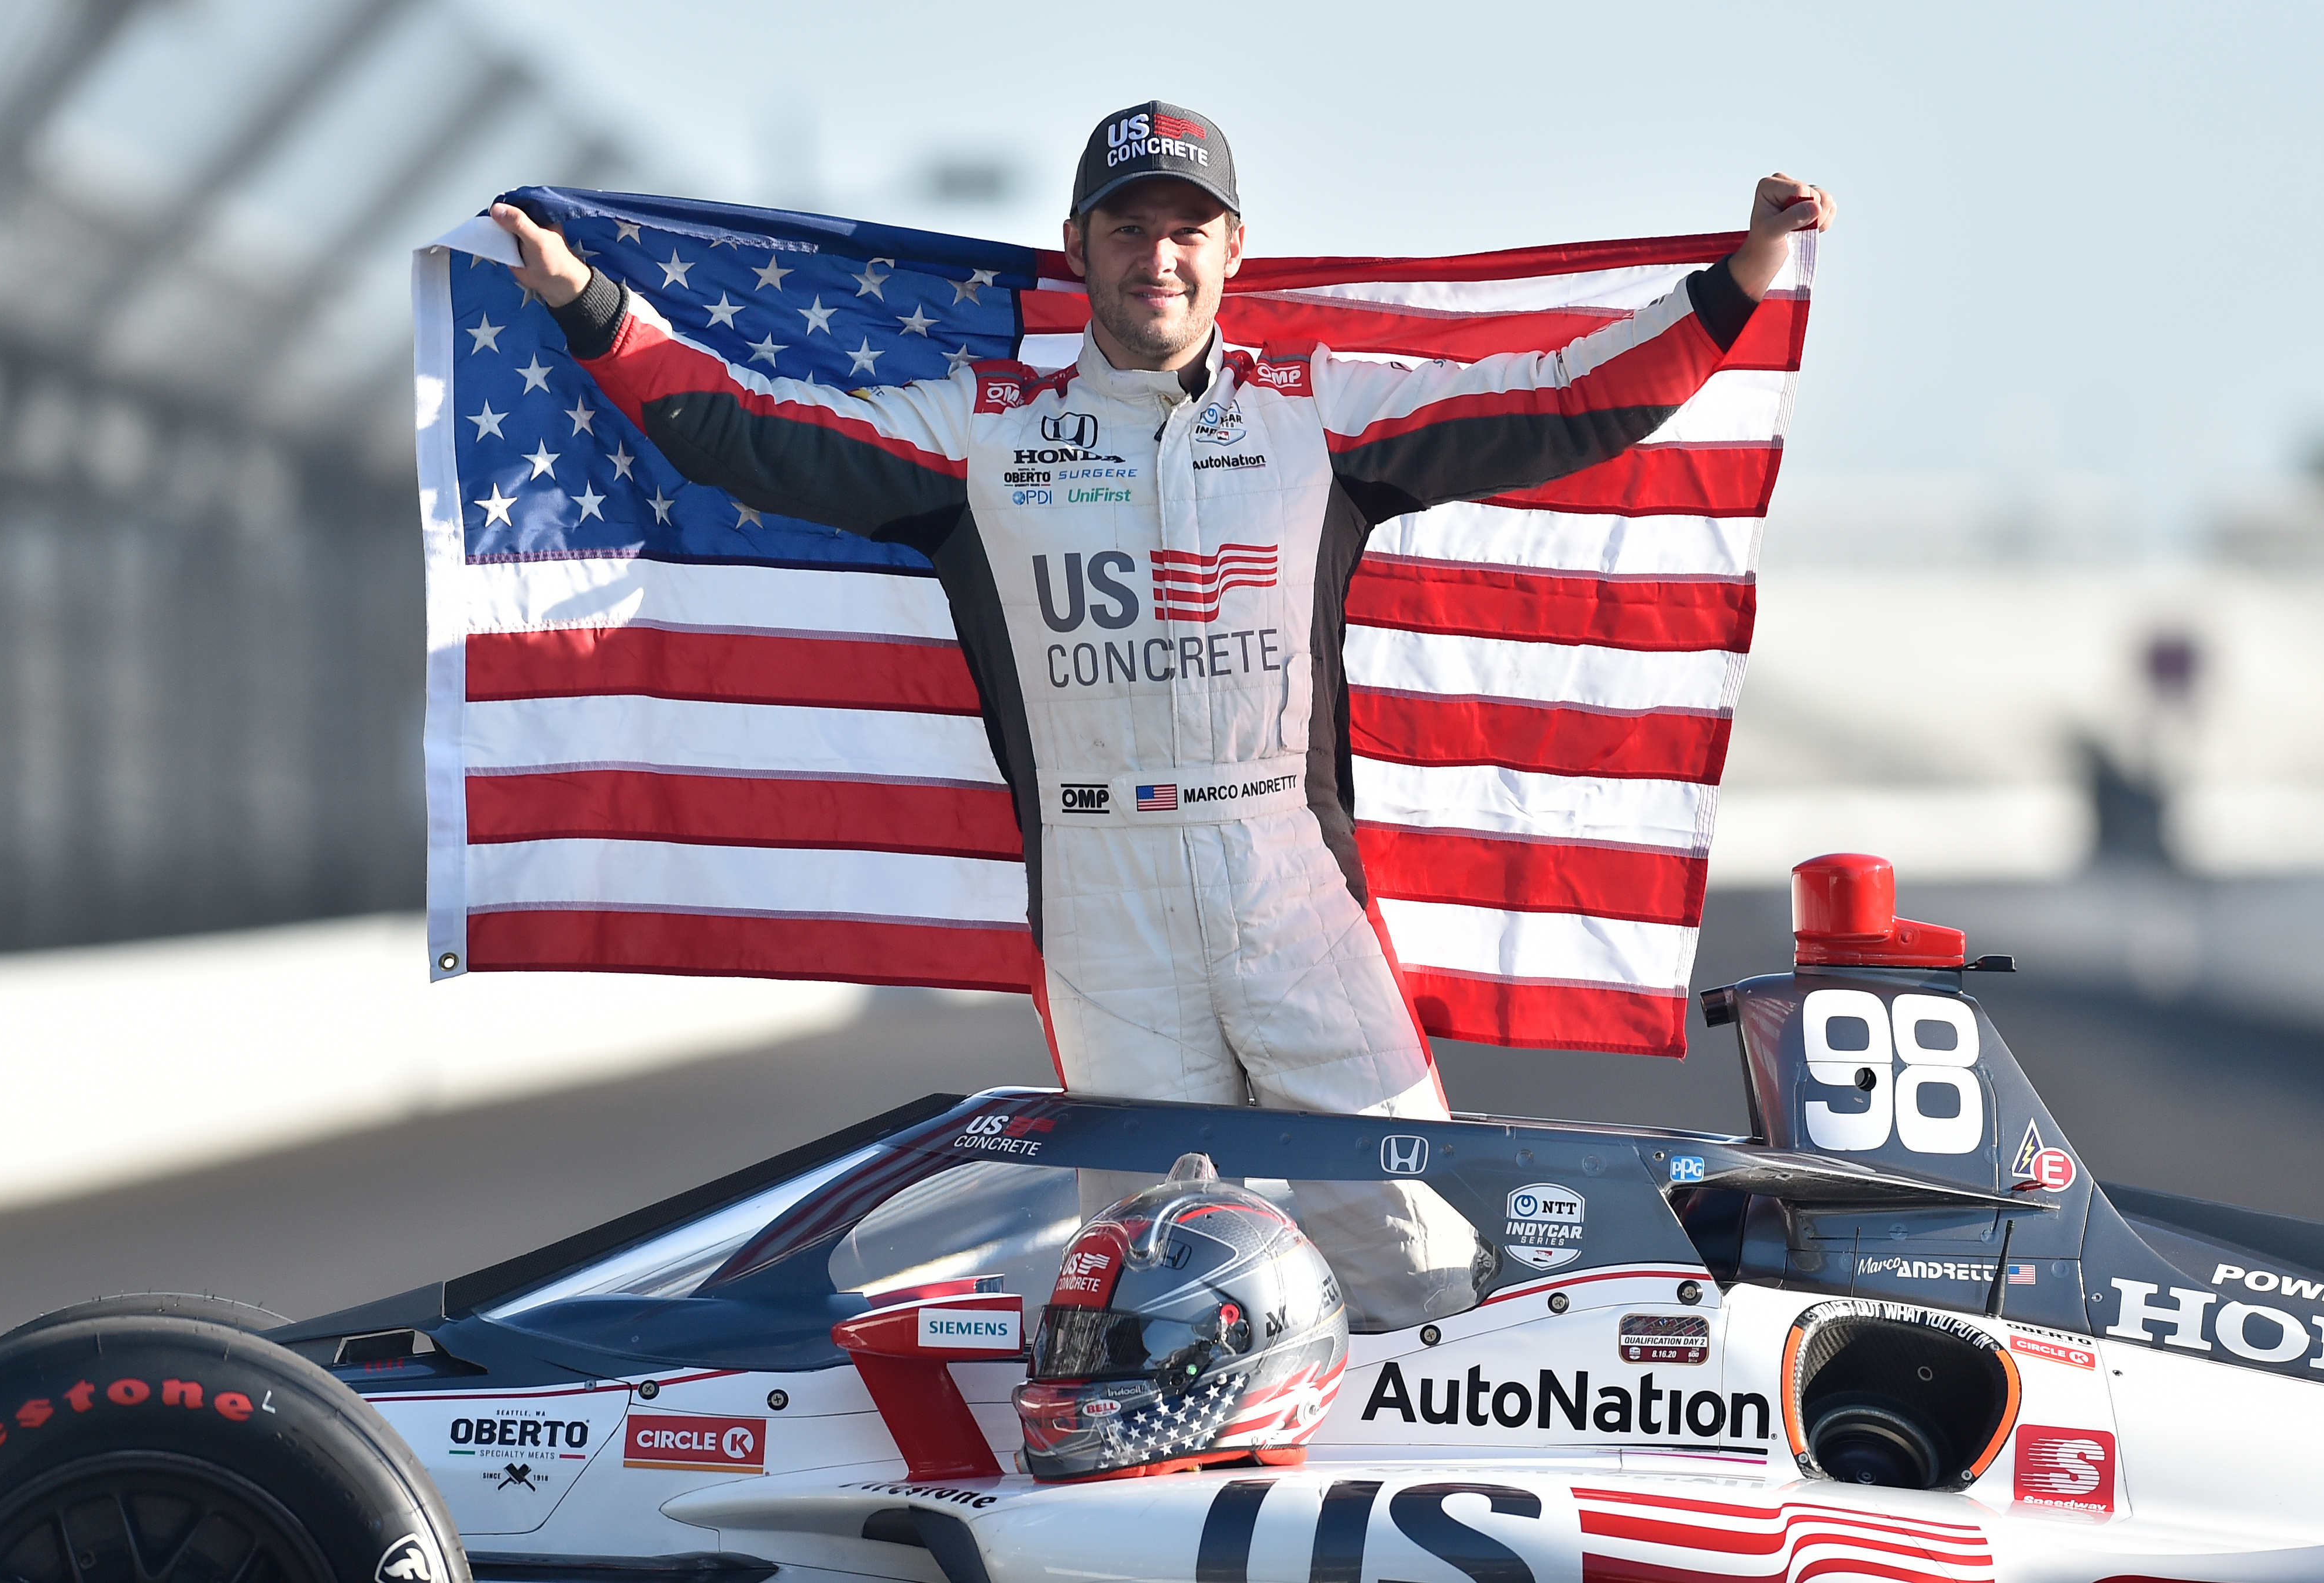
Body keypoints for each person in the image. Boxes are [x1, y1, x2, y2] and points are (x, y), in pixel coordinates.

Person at [492, 103, 1831, 1325]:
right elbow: (745, 431)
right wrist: (590, 302)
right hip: (1100, 893)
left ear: (1233, 248)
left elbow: (1557, 403)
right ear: (1076, 247)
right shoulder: (983, 429)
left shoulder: (1319, 412)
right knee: (1156, 1277)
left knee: (1417, 1259)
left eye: (1185, 229)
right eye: (1128, 229)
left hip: (1287, 878)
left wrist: (1742, 280)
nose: (1158, 257)